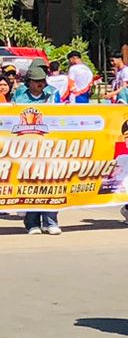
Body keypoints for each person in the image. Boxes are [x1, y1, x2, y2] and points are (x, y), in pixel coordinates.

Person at [12, 64, 62, 234]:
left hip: (49, 146)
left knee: (50, 182)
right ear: (29, 82)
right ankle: (32, 222)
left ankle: (51, 221)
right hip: (26, 146)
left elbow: (62, 115)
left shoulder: (53, 93)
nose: (41, 84)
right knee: (30, 183)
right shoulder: (20, 95)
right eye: (36, 81)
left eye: (42, 81)